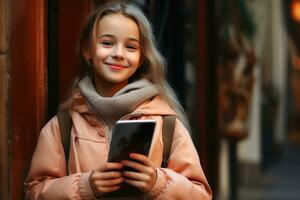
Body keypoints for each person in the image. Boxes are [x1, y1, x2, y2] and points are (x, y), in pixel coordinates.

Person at [25, 2, 212, 199]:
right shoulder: (64, 124)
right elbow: (34, 191)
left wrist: (158, 183)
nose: (118, 54)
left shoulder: (166, 123)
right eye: (107, 43)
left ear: (141, 58)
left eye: (131, 47)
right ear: (87, 50)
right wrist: (85, 186)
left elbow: (200, 194)